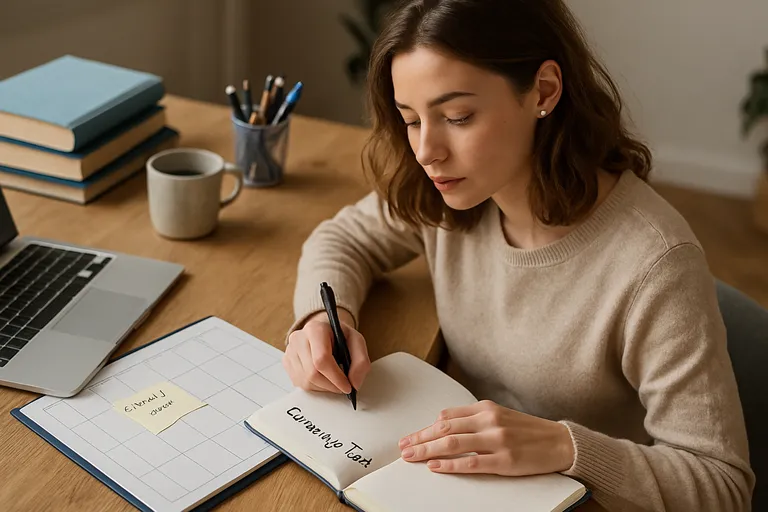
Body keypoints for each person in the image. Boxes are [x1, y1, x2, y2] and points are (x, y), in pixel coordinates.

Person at [281, 0, 755, 510]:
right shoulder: (451, 194)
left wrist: (565, 447)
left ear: (543, 91)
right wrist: (323, 320)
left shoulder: (656, 263)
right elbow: (343, 238)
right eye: (411, 120)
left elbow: (722, 486)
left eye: (458, 117)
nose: (426, 151)